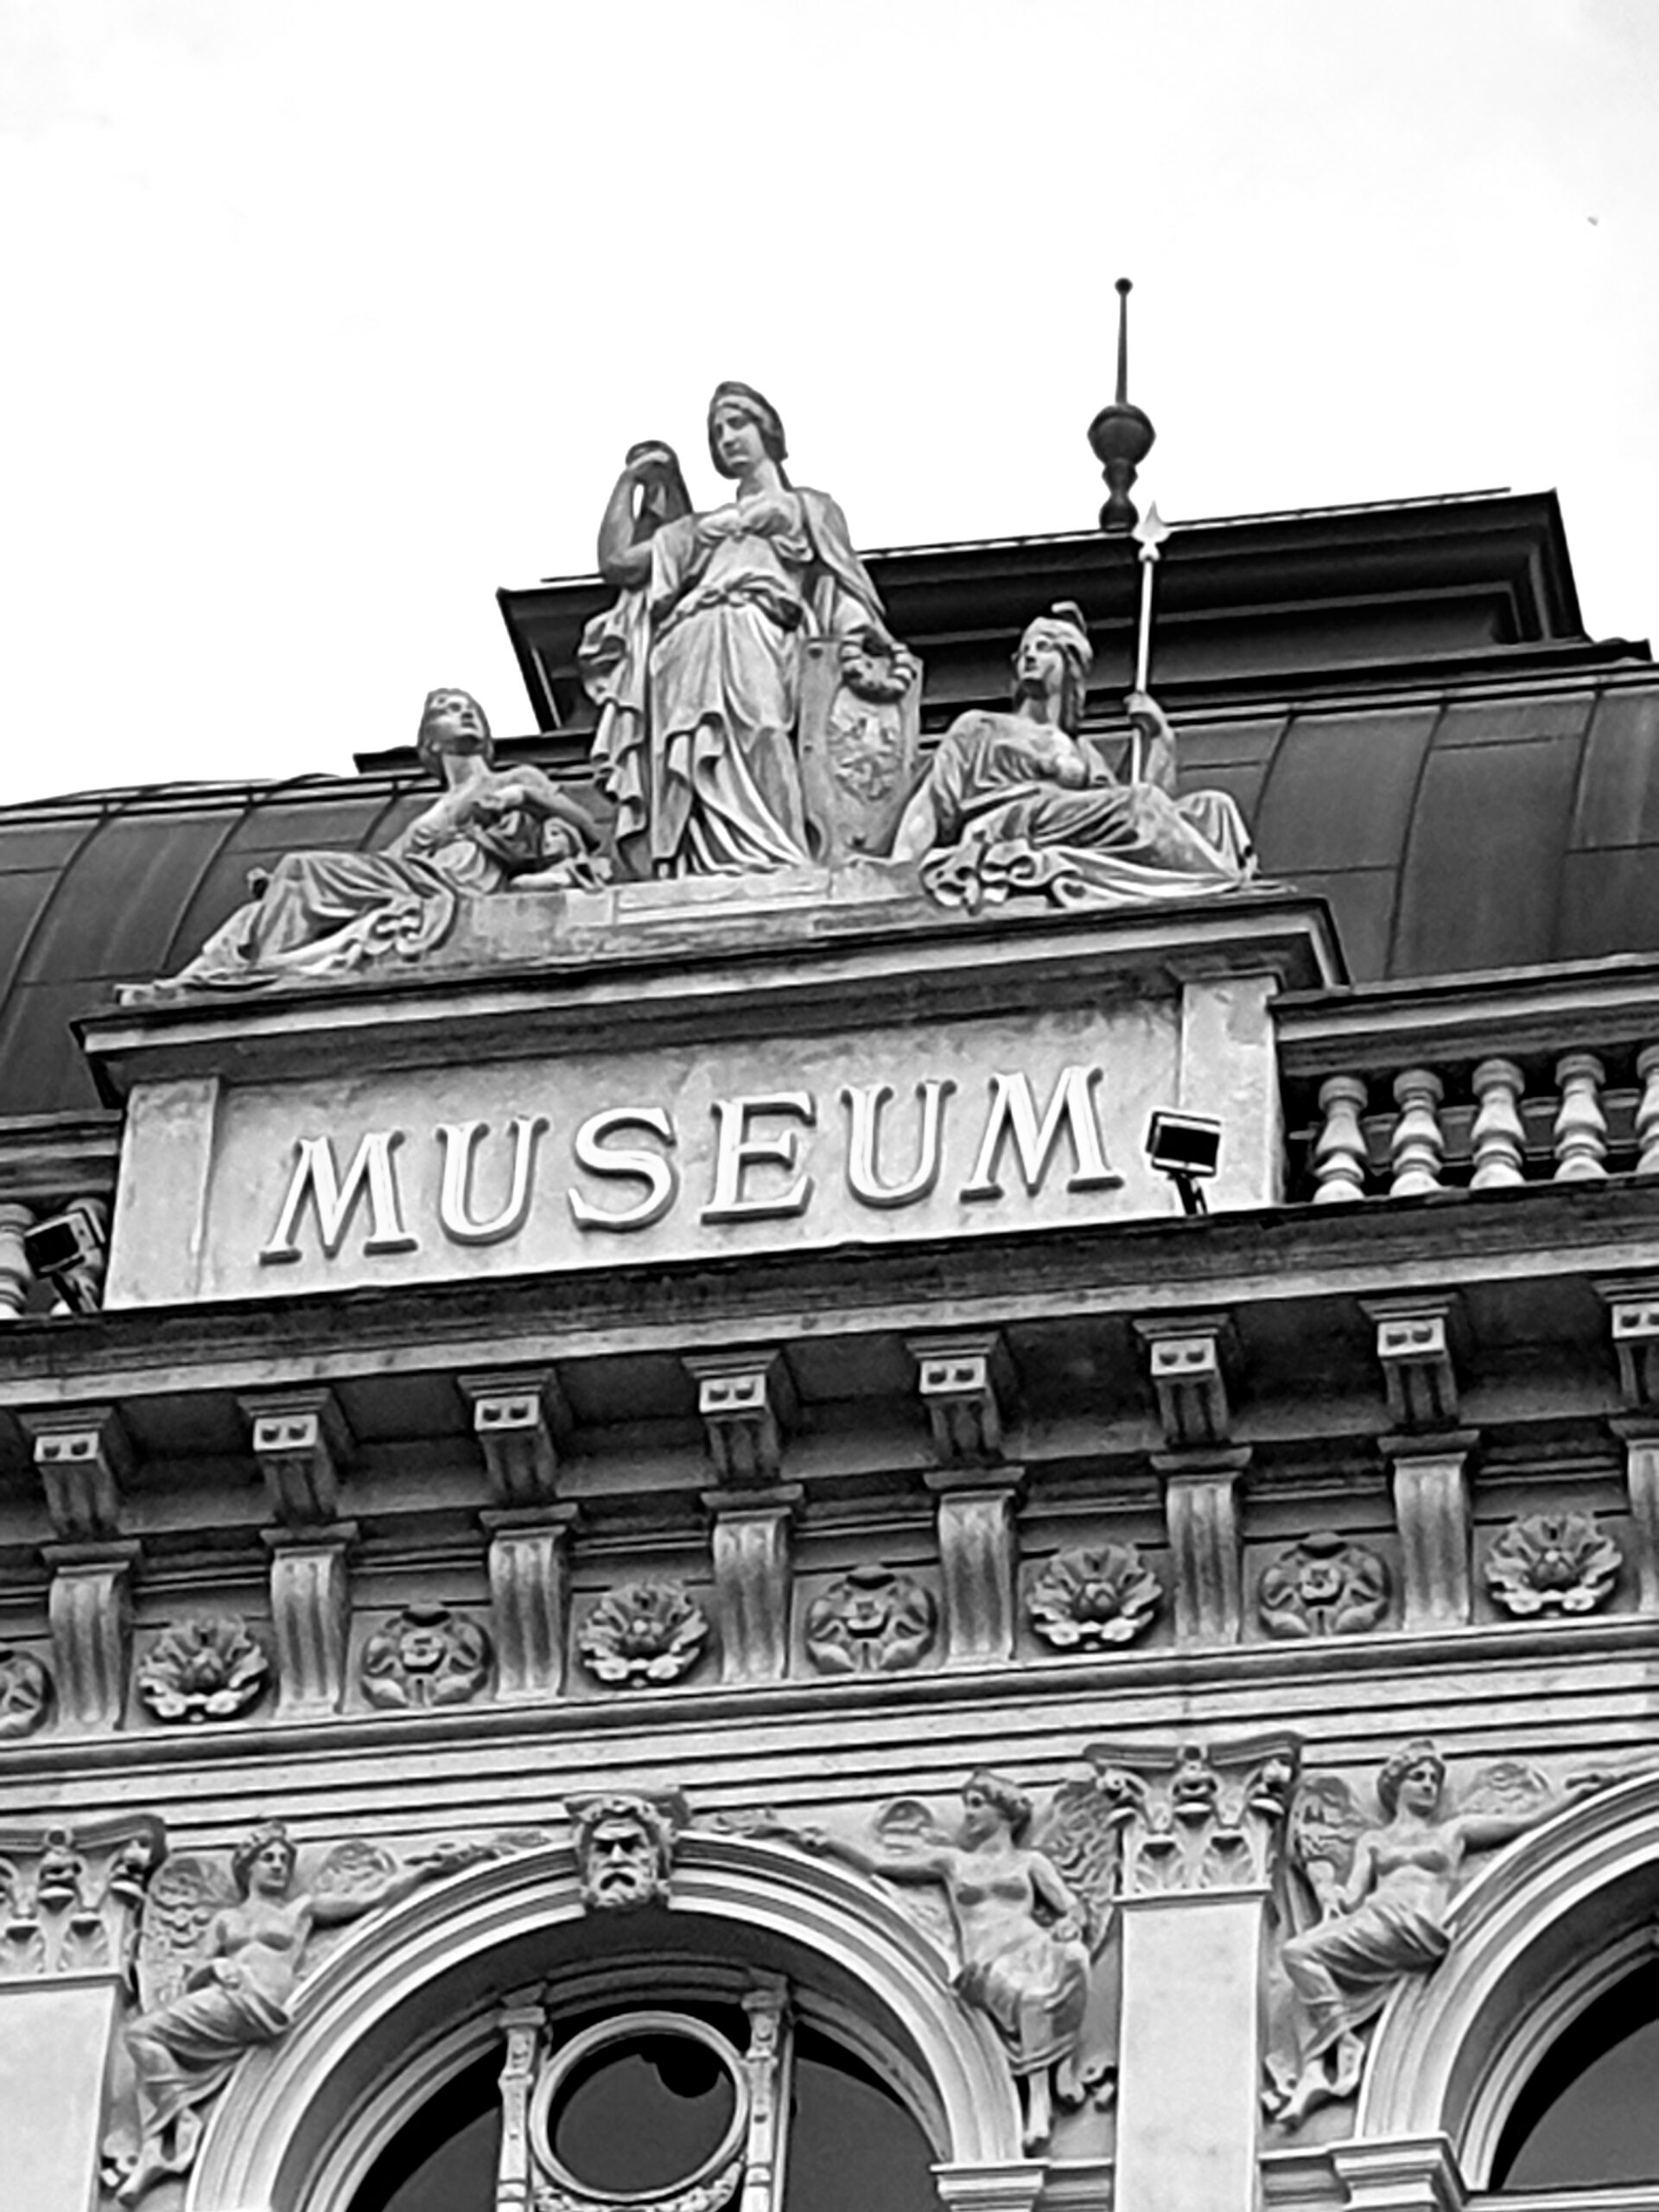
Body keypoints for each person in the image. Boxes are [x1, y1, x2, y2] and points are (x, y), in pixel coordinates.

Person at [580, 382, 898, 878]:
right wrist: (629, 482)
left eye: (737, 423)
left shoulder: (810, 507)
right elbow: (618, 563)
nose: (727, 437)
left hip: (761, 626)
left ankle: (775, 851)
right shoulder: (700, 527)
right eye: (717, 431)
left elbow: (841, 584)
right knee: (691, 744)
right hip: (689, 638)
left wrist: (858, 635)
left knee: (764, 731)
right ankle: (700, 864)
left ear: (766, 429)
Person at [125, 689, 604, 998]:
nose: (465, 716)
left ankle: (258, 979)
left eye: (471, 710)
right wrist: (273, 885)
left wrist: (525, 797)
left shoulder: (517, 777)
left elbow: (587, 828)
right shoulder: (426, 816)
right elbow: (382, 867)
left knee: (300, 869)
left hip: (463, 884)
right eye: (449, 711)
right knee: (283, 885)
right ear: (430, 743)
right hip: (420, 880)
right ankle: (211, 980)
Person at [113, 1821, 480, 2202]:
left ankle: (170, 2131)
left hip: (264, 2004)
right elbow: (193, 1977)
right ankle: (176, 2126)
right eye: (268, 1858)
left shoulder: (301, 1909)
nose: (278, 1866)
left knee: (144, 2035)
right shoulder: (226, 1920)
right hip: (229, 1997)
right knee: (141, 2034)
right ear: (248, 1867)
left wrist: (425, 1872)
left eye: (284, 1859)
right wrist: (213, 1969)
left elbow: (373, 1899)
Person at [1272, 1742, 1606, 2125]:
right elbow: (1351, 1897)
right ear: (1396, 1786)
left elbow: (1522, 1824)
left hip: (1415, 1929)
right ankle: (1329, 2056)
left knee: (1301, 1956)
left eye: (1434, 1778)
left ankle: (1336, 2049)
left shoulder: (1453, 1831)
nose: (1429, 1785)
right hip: (1373, 1920)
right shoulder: (1374, 1841)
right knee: (1297, 1954)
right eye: (1418, 1777)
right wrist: (1326, 1887)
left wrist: (1571, 1799)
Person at [890, 602, 1255, 912]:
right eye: (1026, 649)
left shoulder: (1083, 751)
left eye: (1045, 647)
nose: (1030, 655)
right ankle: (1218, 884)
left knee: (1214, 807)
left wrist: (1160, 739)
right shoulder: (981, 726)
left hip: (1066, 820)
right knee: (1140, 803)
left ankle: (1218, 885)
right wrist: (898, 872)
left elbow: (1142, 822)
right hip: (1012, 820)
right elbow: (934, 801)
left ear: (1070, 665)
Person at [798, 1770, 1091, 2148]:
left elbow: (1071, 1905)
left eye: (976, 1805)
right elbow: (881, 1864)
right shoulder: (953, 1862)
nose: (968, 1815)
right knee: (1028, 1999)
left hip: (1030, 1946)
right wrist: (833, 1844)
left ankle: (1041, 2100)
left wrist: (1071, 1922)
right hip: (987, 1958)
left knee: (1070, 1962)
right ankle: (1045, 2089)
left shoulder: (1030, 1862)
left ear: (1001, 1812)